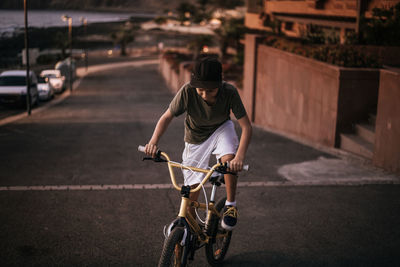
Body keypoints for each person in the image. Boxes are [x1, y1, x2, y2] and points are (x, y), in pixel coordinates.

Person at [144, 56, 252, 230]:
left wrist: (239, 157)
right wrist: (153, 141)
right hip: (195, 137)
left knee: (228, 161)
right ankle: (189, 231)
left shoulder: (229, 92)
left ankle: (231, 205)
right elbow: (166, 117)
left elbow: (247, 127)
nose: (204, 94)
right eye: (201, 90)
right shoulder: (188, 91)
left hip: (221, 129)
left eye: (210, 91)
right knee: (191, 193)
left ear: (220, 83)